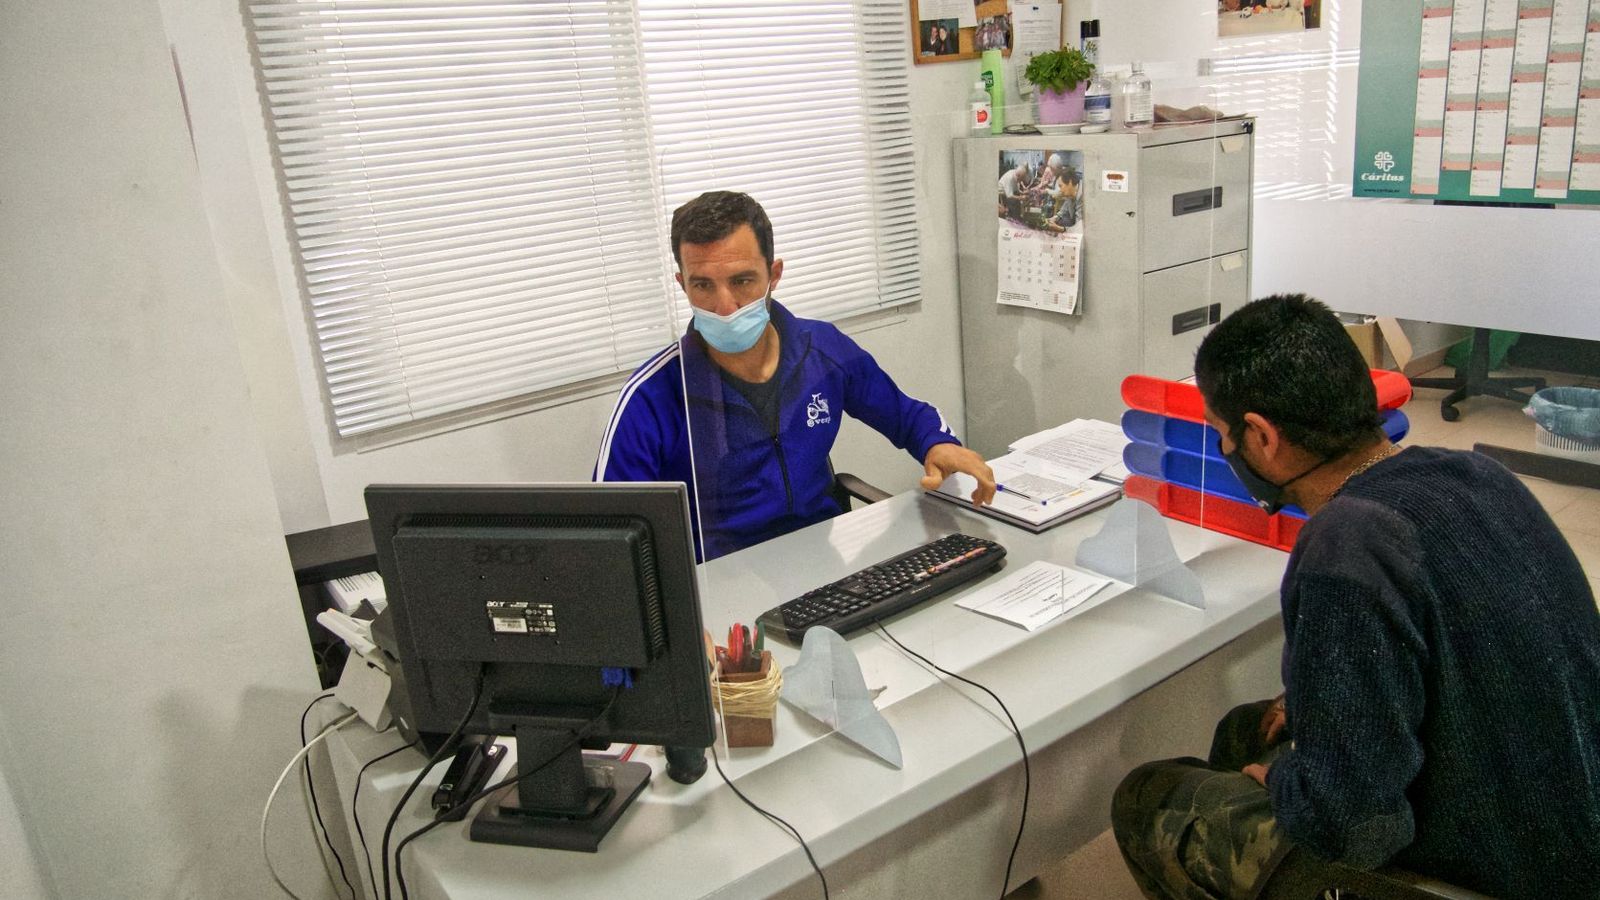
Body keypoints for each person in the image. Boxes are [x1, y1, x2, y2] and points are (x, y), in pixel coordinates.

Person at [1111, 294, 1600, 900]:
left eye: (1220, 433)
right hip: (1566, 816)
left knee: (1148, 797)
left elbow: (1354, 828)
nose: (1224, 448)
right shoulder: (1478, 475)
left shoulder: (1346, 545)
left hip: (1501, 869)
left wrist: (1284, 783)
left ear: (1261, 436)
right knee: (1246, 729)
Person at [595, 191, 995, 561]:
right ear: (682, 284)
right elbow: (613, 538)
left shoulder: (822, 350)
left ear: (774, 274)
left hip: (820, 561)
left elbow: (905, 414)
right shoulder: (651, 397)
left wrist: (937, 443)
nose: (725, 306)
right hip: (719, 582)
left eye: (742, 281)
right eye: (703, 285)